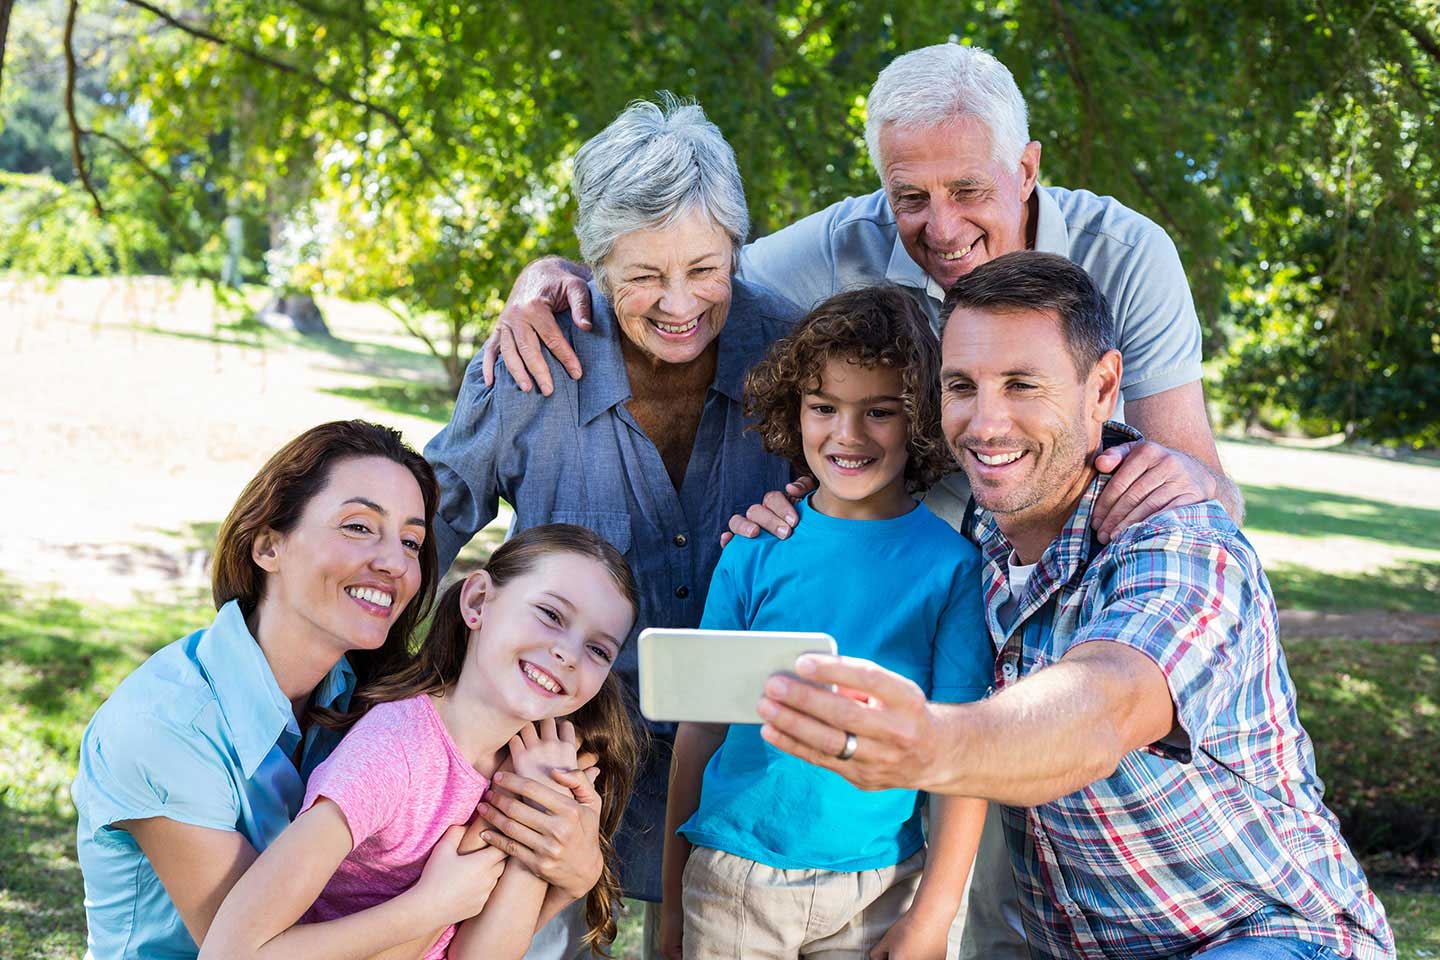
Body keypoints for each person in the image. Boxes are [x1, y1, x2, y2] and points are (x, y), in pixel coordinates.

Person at [756, 252, 1395, 960]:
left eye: (1023, 384)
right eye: (961, 386)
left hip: (1267, 935)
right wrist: (792, 519)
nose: (986, 423)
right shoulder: (976, 535)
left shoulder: (1178, 542)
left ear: (1103, 389)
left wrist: (932, 745)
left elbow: (1105, 705)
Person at [481, 42, 1241, 543]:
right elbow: (688, 274)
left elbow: (1207, 495)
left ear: (1028, 170)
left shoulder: (1129, 255)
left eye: (969, 189)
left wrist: (1192, 484)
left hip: (1072, 564)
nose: (941, 229)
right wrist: (558, 277)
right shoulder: (842, 245)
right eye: (909, 196)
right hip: (903, 569)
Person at [423, 96, 804, 956]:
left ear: (737, 249)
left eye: (706, 270)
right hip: (553, 753)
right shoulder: (530, 362)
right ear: (594, 262)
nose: (679, 305)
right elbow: (434, 520)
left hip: (744, 767)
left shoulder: (793, 352)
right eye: (642, 276)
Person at [71, 421, 605, 958]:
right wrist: (434, 906)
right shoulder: (165, 730)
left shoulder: (384, 699)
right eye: (358, 527)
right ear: (268, 545)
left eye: (411, 541)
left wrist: (570, 875)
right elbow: (245, 948)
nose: (394, 562)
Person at [660, 287, 991, 960]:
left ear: (922, 418)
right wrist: (671, 909)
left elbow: (963, 758)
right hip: (734, 878)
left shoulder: (954, 569)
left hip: (879, 888)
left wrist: (931, 918)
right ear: (797, 411)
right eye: (824, 408)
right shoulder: (754, 551)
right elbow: (699, 730)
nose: (847, 435)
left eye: (880, 412)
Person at [200, 524, 641, 960]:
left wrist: (540, 815)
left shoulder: (536, 763)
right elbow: (229, 952)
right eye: (551, 615)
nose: (568, 653)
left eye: (599, 650)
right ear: (478, 602)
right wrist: (429, 908)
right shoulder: (393, 754)